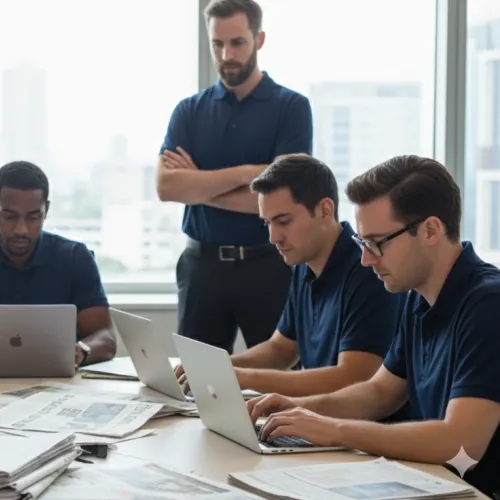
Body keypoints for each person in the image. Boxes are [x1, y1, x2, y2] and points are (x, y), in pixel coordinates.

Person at [246, 155, 500, 497]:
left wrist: (334, 429)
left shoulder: (487, 303)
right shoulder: (418, 295)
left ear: (431, 230)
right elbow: (380, 392)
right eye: (362, 244)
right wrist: (295, 406)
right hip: (435, 484)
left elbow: (461, 442)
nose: (366, 259)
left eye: (377, 243)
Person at [177, 154, 405, 401]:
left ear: (325, 210)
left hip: (359, 430)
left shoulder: (367, 269)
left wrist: (242, 378)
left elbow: (353, 377)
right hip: (321, 420)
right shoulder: (303, 264)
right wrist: (214, 366)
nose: (274, 237)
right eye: (267, 224)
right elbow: (280, 349)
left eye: (283, 221)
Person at [156, 0, 313, 353]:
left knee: (280, 380)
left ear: (259, 39)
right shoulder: (188, 111)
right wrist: (250, 174)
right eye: (217, 44)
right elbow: (167, 187)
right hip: (202, 267)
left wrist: (198, 187)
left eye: (237, 42)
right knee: (195, 381)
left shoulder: (292, 108)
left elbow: (285, 198)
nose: (227, 54)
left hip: (270, 264)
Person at [0, 161, 117, 367]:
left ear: (46, 209)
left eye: (33, 217)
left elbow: (105, 337)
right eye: (9, 217)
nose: (21, 229)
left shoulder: (74, 258)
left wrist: (79, 352)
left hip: (59, 383)